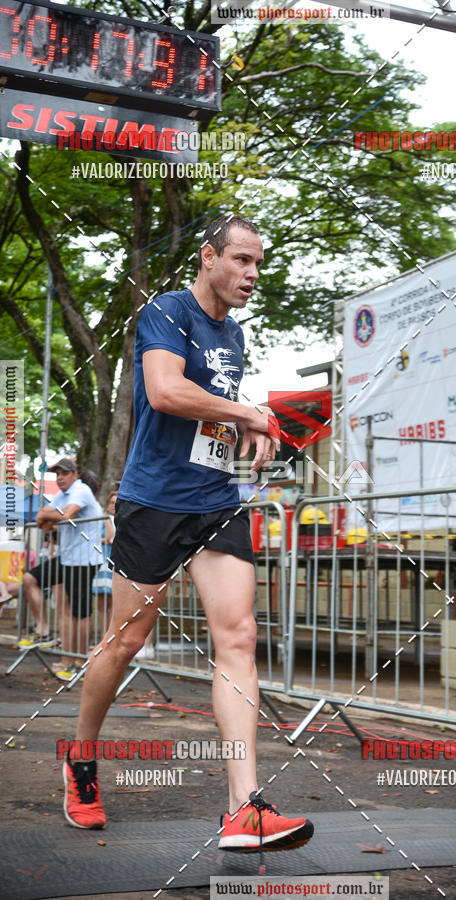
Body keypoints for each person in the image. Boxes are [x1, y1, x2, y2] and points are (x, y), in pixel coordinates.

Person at [62, 214, 314, 853]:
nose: (253, 276)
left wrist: (252, 427)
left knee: (239, 637)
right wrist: (250, 412)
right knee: (125, 643)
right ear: (209, 258)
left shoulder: (235, 336)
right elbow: (167, 391)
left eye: (259, 264)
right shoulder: (166, 312)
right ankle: (82, 760)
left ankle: (243, 807)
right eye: (243, 261)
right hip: (155, 503)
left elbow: (215, 413)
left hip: (215, 500)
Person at [19, 459, 103, 680]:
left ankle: (80, 663)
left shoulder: (81, 490)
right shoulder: (63, 494)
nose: (59, 477)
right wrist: (48, 516)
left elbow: (65, 515)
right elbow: (43, 521)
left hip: (84, 561)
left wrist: (48, 516)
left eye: (64, 473)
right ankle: (44, 631)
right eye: (56, 473)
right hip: (67, 559)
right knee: (30, 579)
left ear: (75, 474)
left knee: (79, 614)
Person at [91, 490, 116, 638]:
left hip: (114, 562)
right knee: (101, 602)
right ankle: (102, 637)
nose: (114, 505)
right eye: (112, 502)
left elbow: (110, 536)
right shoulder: (101, 518)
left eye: (117, 503)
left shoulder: (121, 520)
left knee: (112, 603)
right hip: (100, 561)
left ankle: (110, 637)